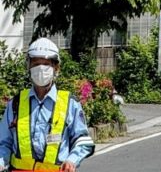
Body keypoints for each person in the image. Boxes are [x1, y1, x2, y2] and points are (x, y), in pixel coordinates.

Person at [0, 37, 94, 172]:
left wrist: (71, 160)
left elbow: (82, 140)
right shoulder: (16, 103)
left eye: (46, 64)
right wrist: (1, 162)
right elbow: (3, 142)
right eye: (36, 63)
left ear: (56, 67)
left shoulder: (70, 104)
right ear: (29, 66)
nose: (40, 69)